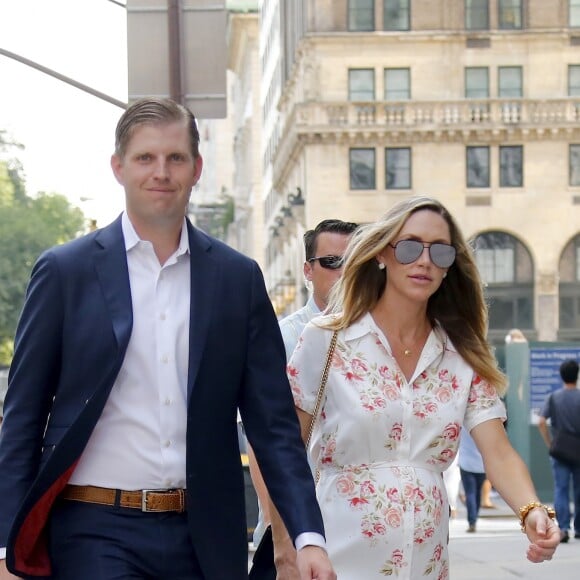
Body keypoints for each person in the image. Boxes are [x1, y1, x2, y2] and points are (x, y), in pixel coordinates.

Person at [0, 97, 335, 580]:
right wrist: (7, 544)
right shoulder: (65, 273)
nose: (161, 172)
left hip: (203, 535)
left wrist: (308, 536)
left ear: (196, 168)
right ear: (118, 167)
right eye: (145, 158)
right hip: (93, 530)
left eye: (175, 158)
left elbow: (273, 424)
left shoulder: (237, 280)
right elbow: (23, 414)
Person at [273, 196, 560, 579]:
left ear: (449, 267)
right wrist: (289, 547)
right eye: (409, 247)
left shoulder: (460, 353)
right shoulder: (328, 339)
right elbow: (283, 448)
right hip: (333, 555)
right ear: (381, 255)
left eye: (440, 252)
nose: (424, 260)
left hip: (425, 560)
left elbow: (498, 452)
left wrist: (532, 510)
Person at [248, 219, 358, 557]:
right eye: (331, 262)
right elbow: (260, 439)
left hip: (360, 520)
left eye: (353, 261)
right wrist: (277, 527)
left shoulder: (379, 338)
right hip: (301, 520)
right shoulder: (281, 338)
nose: (343, 271)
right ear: (308, 271)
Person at [538, 358, 580, 543]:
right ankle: (578, 528)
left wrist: (550, 442)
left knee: (561, 489)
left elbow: (541, 421)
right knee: (579, 489)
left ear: (561, 376)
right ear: (577, 376)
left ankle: (563, 528)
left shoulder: (554, 397)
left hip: (560, 449)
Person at [458, 427, 487, 533]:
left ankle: (472, 521)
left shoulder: (463, 426)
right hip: (481, 465)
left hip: (466, 464)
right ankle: (474, 518)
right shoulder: (483, 427)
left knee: (470, 493)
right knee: (477, 493)